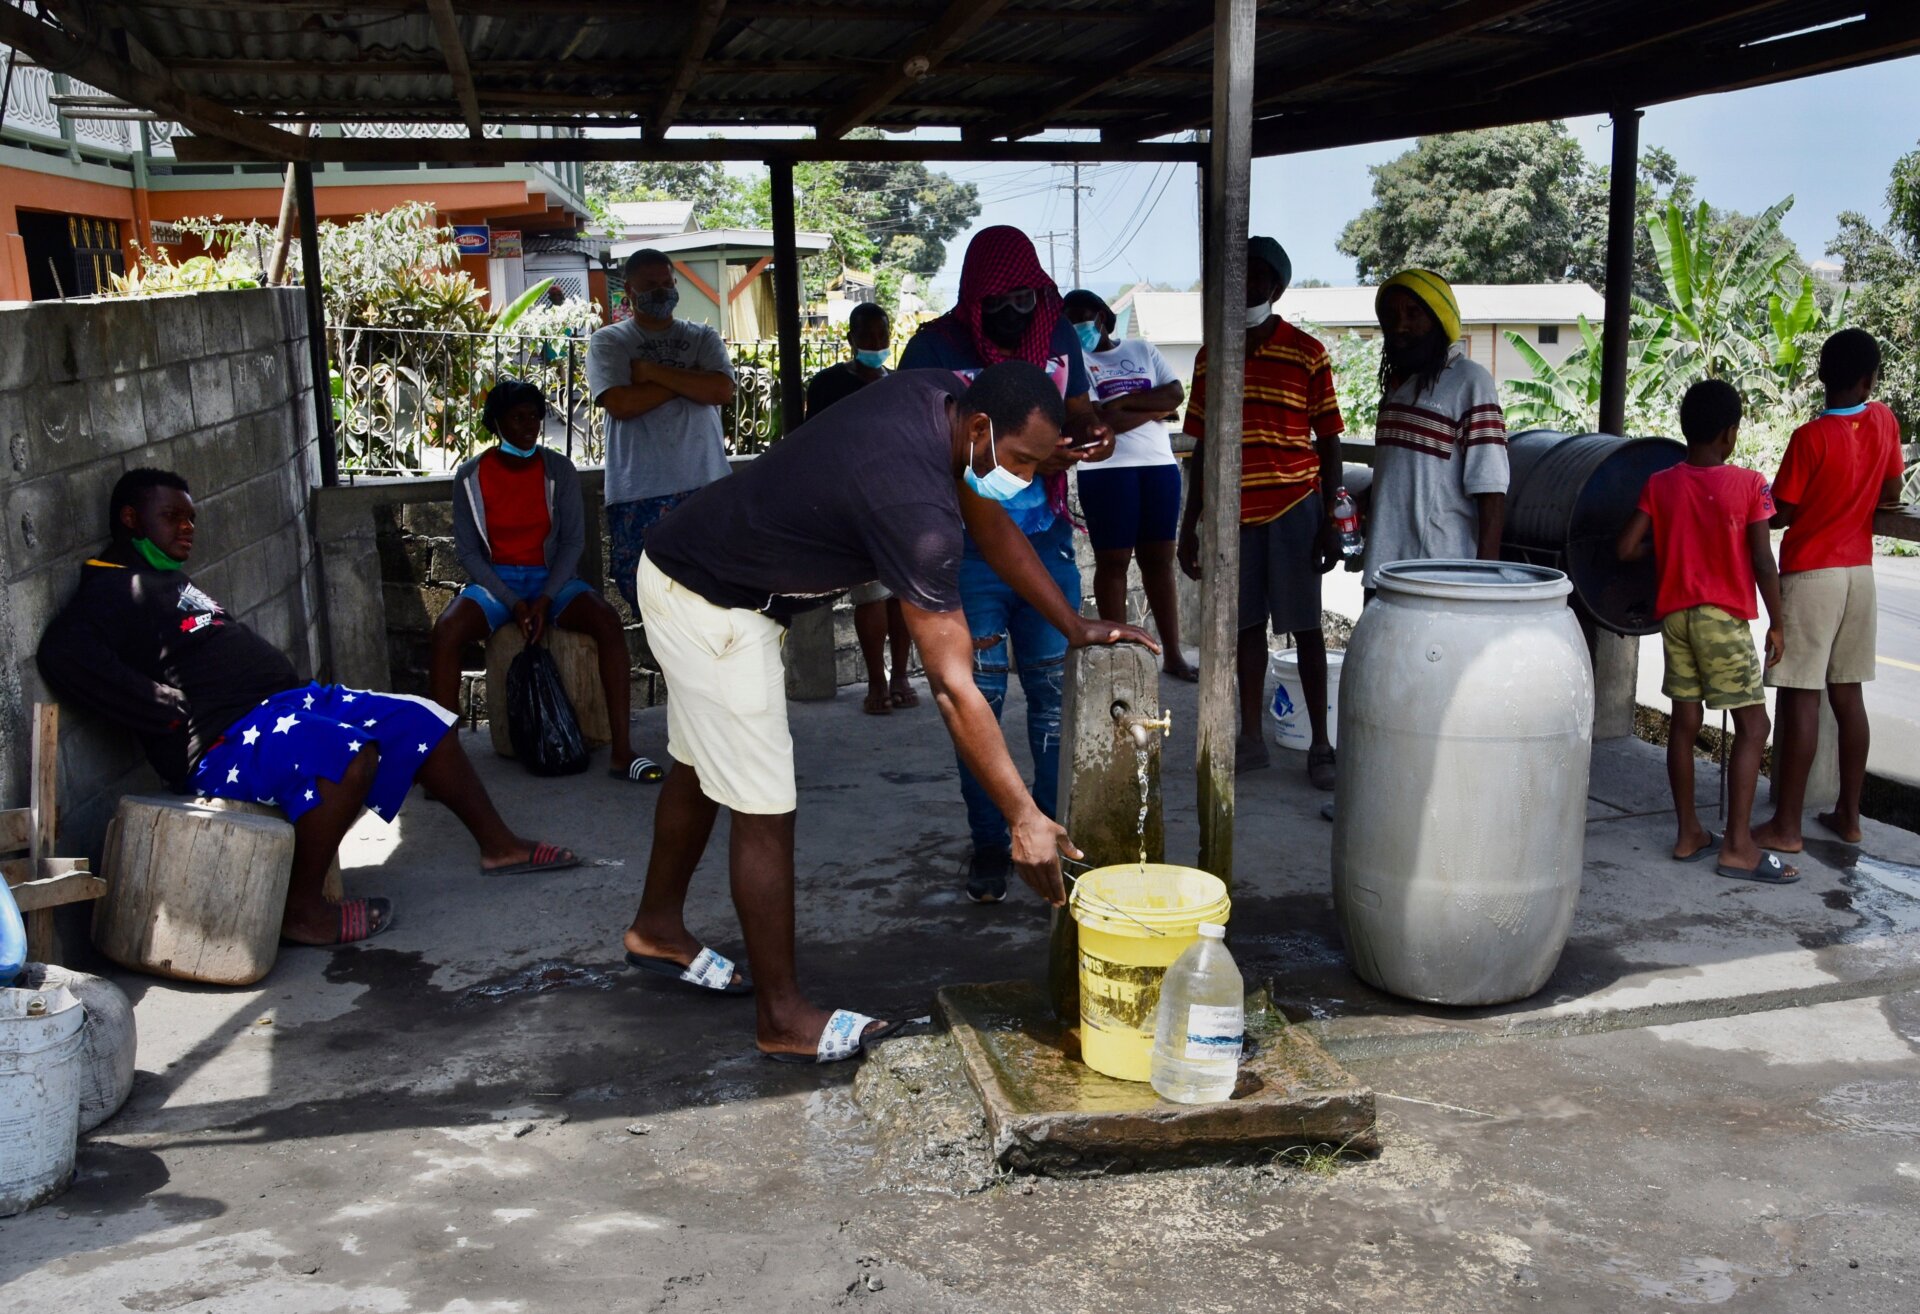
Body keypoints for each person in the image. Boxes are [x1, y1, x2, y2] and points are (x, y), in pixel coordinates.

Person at [619, 363, 1156, 1062]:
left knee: (699, 764)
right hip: (713, 605)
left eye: (1038, 462)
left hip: (688, 568)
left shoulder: (935, 399)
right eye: (1021, 460)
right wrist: (1024, 816)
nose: (1023, 478)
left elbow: (991, 526)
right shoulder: (916, 508)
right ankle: (781, 1017)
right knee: (764, 803)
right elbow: (952, 686)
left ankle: (657, 927)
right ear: (980, 427)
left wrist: (1071, 622)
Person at [37, 469, 580, 947]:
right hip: (225, 738)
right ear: (131, 518)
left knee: (421, 720)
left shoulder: (158, 576)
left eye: (191, 518)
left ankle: (499, 846)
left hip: (280, 704)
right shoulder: (110, 587)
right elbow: (61, 653)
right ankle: (302, 911)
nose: (187, 528)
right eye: (172, 516)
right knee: (347, 756)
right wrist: (160, 706)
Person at [898, 226, 1114, 904]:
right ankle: (992, 843)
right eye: (1004, 300)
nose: (1019, 311)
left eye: (1029, 296)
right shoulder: (933, 348)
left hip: (1044, 538)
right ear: (975, 298)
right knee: (978, 700)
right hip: (964, 549)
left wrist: (1093, 436)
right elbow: (922, 450)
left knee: (1055, 701)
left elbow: (1078, 416)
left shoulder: (1056, 337)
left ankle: (1054, 834)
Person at [430, 379, 662, 784]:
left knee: (608, 621)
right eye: (519, 417)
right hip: (497, 583)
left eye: (536, 417)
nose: (530, 426)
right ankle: (446, 763)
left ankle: (622, 750)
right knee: (447, 632)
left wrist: (544, 597)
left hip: (552, 581)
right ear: (497, 421)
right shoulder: (470, 476)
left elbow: (573, 542)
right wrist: (515, 601)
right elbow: (468, 553)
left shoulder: (558, 470)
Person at [1177, 237, 1346, 784]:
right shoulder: (1212, 355)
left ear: (1276, 286)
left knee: (1306, 629)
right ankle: (1252, 738)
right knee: (1245, 628)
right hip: (1233, 515)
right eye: (1236, 277)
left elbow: (1330, 442)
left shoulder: (1306, 351)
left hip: (1295, 507)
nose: (1245, 287)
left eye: (1257, 277)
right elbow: (1201, 446)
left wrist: (1329, 517)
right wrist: (1190, 526)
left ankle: (1322, 745)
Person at [1617, 380, 1795, 883]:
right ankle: (1739, 847)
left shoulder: (1661, 483)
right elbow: (1762, 559)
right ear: (1730, 434)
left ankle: (1689, 834)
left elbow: (1627, 548)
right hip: (1721, 618)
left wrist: (1676, 549)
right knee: (1754, 727)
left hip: (1675, 620)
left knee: (1684, 723)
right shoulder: (1750, 484)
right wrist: (1778, 623)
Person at [1753, 328, 1906, 854]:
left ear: (1821, 376)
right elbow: (1891, 492)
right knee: (1848, 696)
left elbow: (1784, 511)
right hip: (1859, 573)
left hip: (1812, 574)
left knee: (1801, 699)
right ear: (1868, 380)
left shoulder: (1809, 438)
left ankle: (1787, 826)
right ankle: (1849, 815)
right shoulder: (1885, 420)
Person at [587, 248, 736, 613]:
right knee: (652, 600)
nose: (661, 291)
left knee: (716, 598)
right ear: (630, 292)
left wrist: (653, 374)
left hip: (707, 485)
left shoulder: (703, 336)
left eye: (667, 283)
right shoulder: (609, 341)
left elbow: (721, 390)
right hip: (640, 491)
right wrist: (691, 381)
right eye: (650, 285)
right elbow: (621, 404)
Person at [1062, 288, 1195, 682]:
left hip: (1159, 468)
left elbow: (1175, 394)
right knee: (1113, 562)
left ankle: (1172, 653)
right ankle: (1119, 657)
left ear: (1103, 317)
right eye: (1070, 320)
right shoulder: (1076, 364)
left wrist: (1117, 406)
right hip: (1105, 471)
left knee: (1159, 562)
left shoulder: (1142, 350)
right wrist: (1152, 408)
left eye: (1084, 317)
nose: (1079, 326)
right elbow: (1095, 424)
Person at [806, 303, 918, 715]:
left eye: (881, 334)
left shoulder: (900, 384)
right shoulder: (828, 385)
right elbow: (812, 442)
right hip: (855, 500)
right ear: (851, 339)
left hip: (901, 498)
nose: (876, 342)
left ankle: (902, 675)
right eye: (867, 335)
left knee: (901, 593)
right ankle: (876, 681)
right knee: (870, 594)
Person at [1366, 268, 1509, 586]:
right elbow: (1400, 476)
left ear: (1438, 318)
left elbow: (1491, 489)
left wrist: (1485, 578)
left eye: (1414, 313)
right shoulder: (1395, 386)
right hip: (1382, 570)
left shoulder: (1470, 381)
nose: (1400, 325)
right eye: (1391, 315)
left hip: (1439, 574)